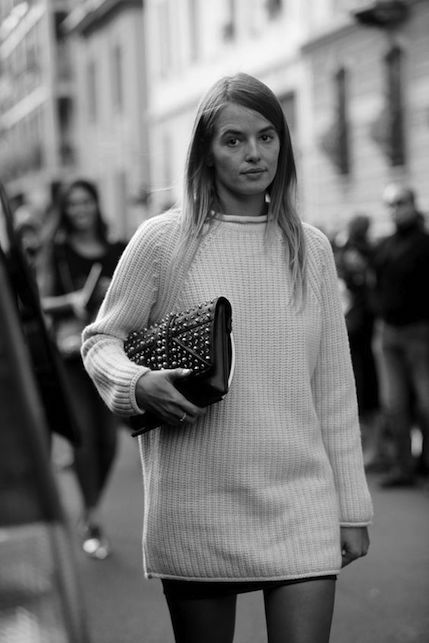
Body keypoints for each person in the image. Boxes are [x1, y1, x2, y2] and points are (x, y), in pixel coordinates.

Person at [82, 74, 372, 642]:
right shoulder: (163, 240)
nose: (254, 153)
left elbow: (335, 390)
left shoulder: (310, 247)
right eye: (233, 140)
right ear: (206, 152)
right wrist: (136, 382)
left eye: (267, 136)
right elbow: (101, 340)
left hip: (301, 501)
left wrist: (353, 508)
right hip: (197, 504)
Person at [43, 178, 126, 559]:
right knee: (85, 439)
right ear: (65, 210)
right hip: (72, 357)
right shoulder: (57, 251)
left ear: (96, 204)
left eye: (86, 202)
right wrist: (71, 301)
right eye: (73, 203)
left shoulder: (117, 249)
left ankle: (91, 507)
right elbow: (40, 300)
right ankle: (92, 516)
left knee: (108, 442)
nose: (80, 209)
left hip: (111, 355)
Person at [372, 183, 429, 488]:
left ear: (412, 204)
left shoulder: (423, 243)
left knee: (426, 403)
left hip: (419, 331)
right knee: (393, 404)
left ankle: (424, 462)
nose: (394, 209)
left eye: (400, 203)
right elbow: (376, 282)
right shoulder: (387, 244)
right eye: (390, 204)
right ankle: (403, 467)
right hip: (388, 332)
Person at [335, 215, 383, 466]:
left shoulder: (371, 268)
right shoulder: (350, 273)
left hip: (365, 339)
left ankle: (375, 448)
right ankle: (368, 447)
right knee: (360, 392)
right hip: (355, 338)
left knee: (369, 392)